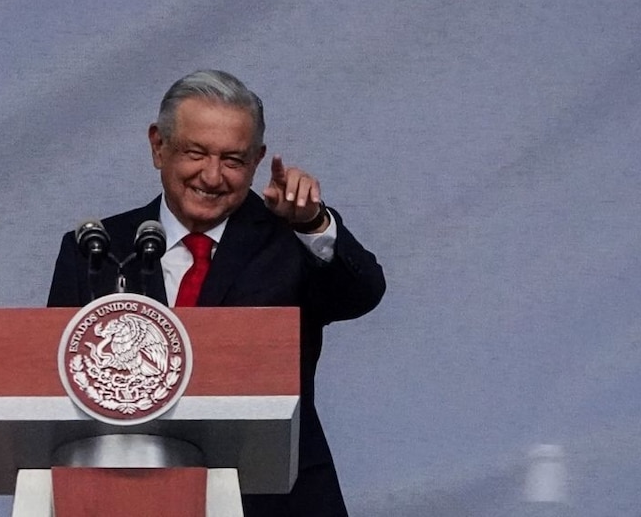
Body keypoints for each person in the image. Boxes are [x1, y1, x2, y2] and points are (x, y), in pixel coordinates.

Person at [47, 69, 386, 516]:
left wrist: (312, 224)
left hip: (276, 500)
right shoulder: (98, 249)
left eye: (233, 160)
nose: (211, 176)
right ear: (158, 146)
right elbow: (54, 386)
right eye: (195, 153)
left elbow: (362, 293)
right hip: (127, 498)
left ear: (258, 159)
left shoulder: (290, 239)